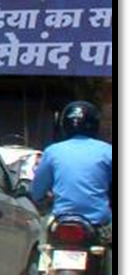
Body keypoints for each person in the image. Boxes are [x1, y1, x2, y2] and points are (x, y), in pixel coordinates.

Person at [29, 100, 111, 238]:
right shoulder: (107, 151)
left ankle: (42, 259)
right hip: (99, 222)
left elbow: (36, 193)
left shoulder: (52, 151)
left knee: (41, 242)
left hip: (60, 221)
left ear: (64, 125)